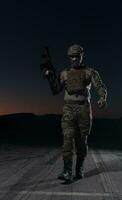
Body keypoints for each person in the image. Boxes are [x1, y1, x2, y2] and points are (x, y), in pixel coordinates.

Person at [43, 44, 108, 183]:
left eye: (76, 56)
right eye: (71, 57)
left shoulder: (90, 72)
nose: (74, 59)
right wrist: (49, 77)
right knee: (67, 140)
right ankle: (67, 171)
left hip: (84, 109)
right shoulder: (64, 73)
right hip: (69, 109)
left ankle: (79, 168)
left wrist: (103, 98)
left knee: (81, 142)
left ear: (81, 56)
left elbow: (100, 85)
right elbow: (56, 90)